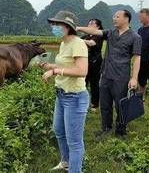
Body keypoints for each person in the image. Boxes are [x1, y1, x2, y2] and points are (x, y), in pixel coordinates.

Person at [37, 11, 89, 173]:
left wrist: (54, 72)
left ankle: (75, 170)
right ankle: (65, 162)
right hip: (61, 94)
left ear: (67, 27)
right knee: (58, 130)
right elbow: (66, 64)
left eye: (57, 24)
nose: (54, 27)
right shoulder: (63, 43)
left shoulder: (78, 43)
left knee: (74, 141)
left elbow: (81, 71)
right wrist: (49, 66)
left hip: (74, 97)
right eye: (53, 24)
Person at [77, 10, 142, 138]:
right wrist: (78, 28)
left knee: (120, 104)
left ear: (126, 19)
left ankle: (121, 129)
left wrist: (134, 78)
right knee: (105, 104)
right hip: (106, 75)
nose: (114, 18)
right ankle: (106, 128)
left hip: (121, 76)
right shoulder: (111, 33)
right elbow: (95, 32)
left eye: (117, 16)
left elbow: (137, 58)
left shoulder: (135, 37)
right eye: (113, 16)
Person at [81, 19, 104, 112]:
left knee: (94, 83)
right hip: (85, 62)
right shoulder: (86, 36)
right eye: (89, 22)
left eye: (92, 23)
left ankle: (94, 104)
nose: (89, 24)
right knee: (83, 82)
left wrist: (79, 40)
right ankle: (83, 102)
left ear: (98, 27)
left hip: (95, 62)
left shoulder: (98, 35)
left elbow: (91, 43)